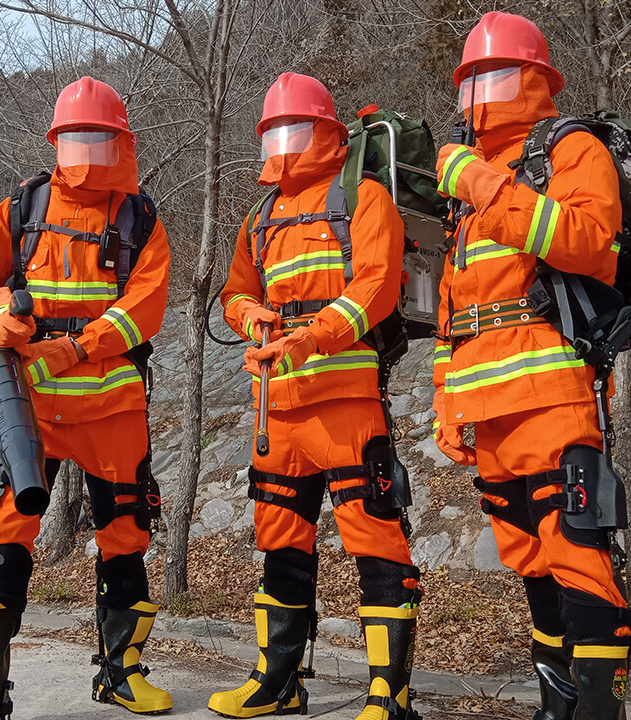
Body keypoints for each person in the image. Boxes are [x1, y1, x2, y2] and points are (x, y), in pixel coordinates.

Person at [0, 76, 172, 719]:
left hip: (112, 405)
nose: (87, 153)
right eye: (75, 139)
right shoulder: (24, 206)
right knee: (4, 534)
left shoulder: (139, 219)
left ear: (120, 143)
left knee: (126, 535)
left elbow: (143, 310)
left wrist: (79, 348)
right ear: (56, 142)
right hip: (31, 408)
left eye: (98, 140)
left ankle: (121, 671)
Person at [432, 12, 631, 720]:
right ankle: (558, 703)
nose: (480, 94)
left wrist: (488, 188)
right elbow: (455, 307)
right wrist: (446, 399)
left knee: (575, 550)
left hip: (550, 388)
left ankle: (601, 712)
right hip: (484, 403)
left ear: (538, 79)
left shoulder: (568, 149)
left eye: (495, 75)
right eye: (471, 80)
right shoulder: (469, 177)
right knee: (527, 558)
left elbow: (588, 242)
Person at [211, 72, 421, 720]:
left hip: (347, 408)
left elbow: (378, 286)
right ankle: (278, 681)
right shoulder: (259, 216)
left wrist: (312, 337)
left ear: (328, 132)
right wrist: (256, 322)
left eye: (293, 128)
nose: (283, 141)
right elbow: (234, 293)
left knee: (376, 541)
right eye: (274, 131)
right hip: (277, 412)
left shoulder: (361, 197)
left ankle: (389, 692)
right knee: (279, 544)